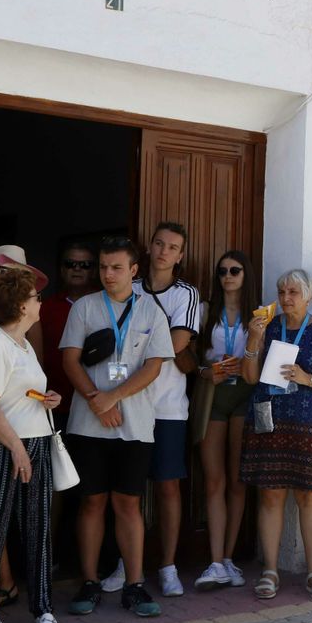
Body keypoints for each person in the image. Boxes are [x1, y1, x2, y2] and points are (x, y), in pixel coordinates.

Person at [59, 237, 170, 619]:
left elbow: (154, 366)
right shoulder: (85, 307)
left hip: (135, 425)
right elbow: (69, 359)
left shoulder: (151, 311)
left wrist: (113, 397)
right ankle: (89, 582)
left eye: (117, 267)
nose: (108, 273)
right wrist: (96, 399)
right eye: (103, 266)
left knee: (128, 503)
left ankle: (134, 585)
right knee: (91, 502)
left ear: (134, 270)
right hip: (88, 424)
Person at [0, 267, 61, 623]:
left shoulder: (23, 344)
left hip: (33, 439)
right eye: (35, 297)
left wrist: (48, 399)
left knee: (38, 526)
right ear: (22, 306)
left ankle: (43, 606)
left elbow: (19, 394)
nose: (40, 302)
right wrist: (17, 448)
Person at [240, 270, 312, 601]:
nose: (286, 298)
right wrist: (253, 342)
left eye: (293, 292)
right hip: (271, 421)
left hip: (310, 425)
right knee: (270, 495)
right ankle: (270, 570)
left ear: (309, 295)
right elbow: (249, 378)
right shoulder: (267, 326)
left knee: (310, 496)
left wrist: (307, 378)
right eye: (281, 291)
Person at [119, 223, 200, 600]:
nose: (165, 252)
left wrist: (142, 337)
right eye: (160, 244)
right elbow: (116, 337)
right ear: (148, 248)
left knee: (168, 486)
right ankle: (126, 563)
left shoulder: (187, 294)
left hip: (168, 405)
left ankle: (167, 566)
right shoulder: (128, 287)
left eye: (174, 247)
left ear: (181, 255)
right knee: (127, 489)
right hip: (129, 402)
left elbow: (179, 341)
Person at [192, 250, 257, 591]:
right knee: (213, 481)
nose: (228, 276)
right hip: (213, 396)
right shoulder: (205, 311)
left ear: (246, 275)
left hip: (245, 394)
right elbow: (188, 356)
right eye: (222, 271)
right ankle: (215, 561)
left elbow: (262, 364)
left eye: (235, 270)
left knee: (237, 481)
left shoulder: (257, 316)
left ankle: (229, 558)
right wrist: (206, 371)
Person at [40, 241, 98, 428]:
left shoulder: (106, 305)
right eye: (70, 264)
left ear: (95, 271)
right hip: (53, 402)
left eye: (85, 265)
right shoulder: (43, 308)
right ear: (62, 270)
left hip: (95, 404)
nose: (77, 269)